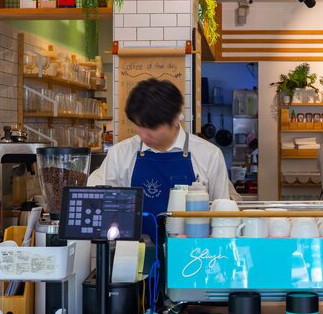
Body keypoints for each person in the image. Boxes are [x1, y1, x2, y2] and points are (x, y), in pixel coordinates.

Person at [88, 78, 230, 241]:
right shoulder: (120, 154)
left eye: (152, 127)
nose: (142, 134)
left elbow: (222, 217)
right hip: (133, 258)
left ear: (176, 118)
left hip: (194, 255)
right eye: (138, 125)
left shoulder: (209, 155)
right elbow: (102, 206)